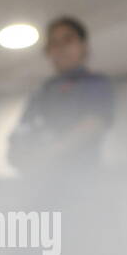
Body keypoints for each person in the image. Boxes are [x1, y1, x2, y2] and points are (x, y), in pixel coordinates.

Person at [7, 15, 113, 177]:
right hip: (39, 187)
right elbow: (21, 132)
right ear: (48, 51)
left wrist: (49, 153)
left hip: (81, 182)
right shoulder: (41, 93)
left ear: (83, 46)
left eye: (68, 40)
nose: (61, 48)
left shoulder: (94, 84)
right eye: (54, 43)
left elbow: (93, 124)